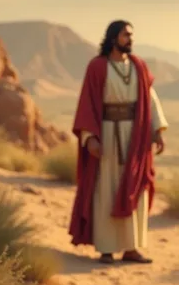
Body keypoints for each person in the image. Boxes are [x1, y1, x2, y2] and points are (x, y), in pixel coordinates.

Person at [68, 19, 169, 264]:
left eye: (131, 35)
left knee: (134, 189)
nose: (130, 39)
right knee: (107, 190)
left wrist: (157, 130)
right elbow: (87, 103)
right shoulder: (97, 67)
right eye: (126, 35)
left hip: (136, 137)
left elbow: (150, 98)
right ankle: (107, 248)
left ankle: (131, 248)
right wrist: (90, 137)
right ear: (114, 38)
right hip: (108, 135)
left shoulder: (138, 66)